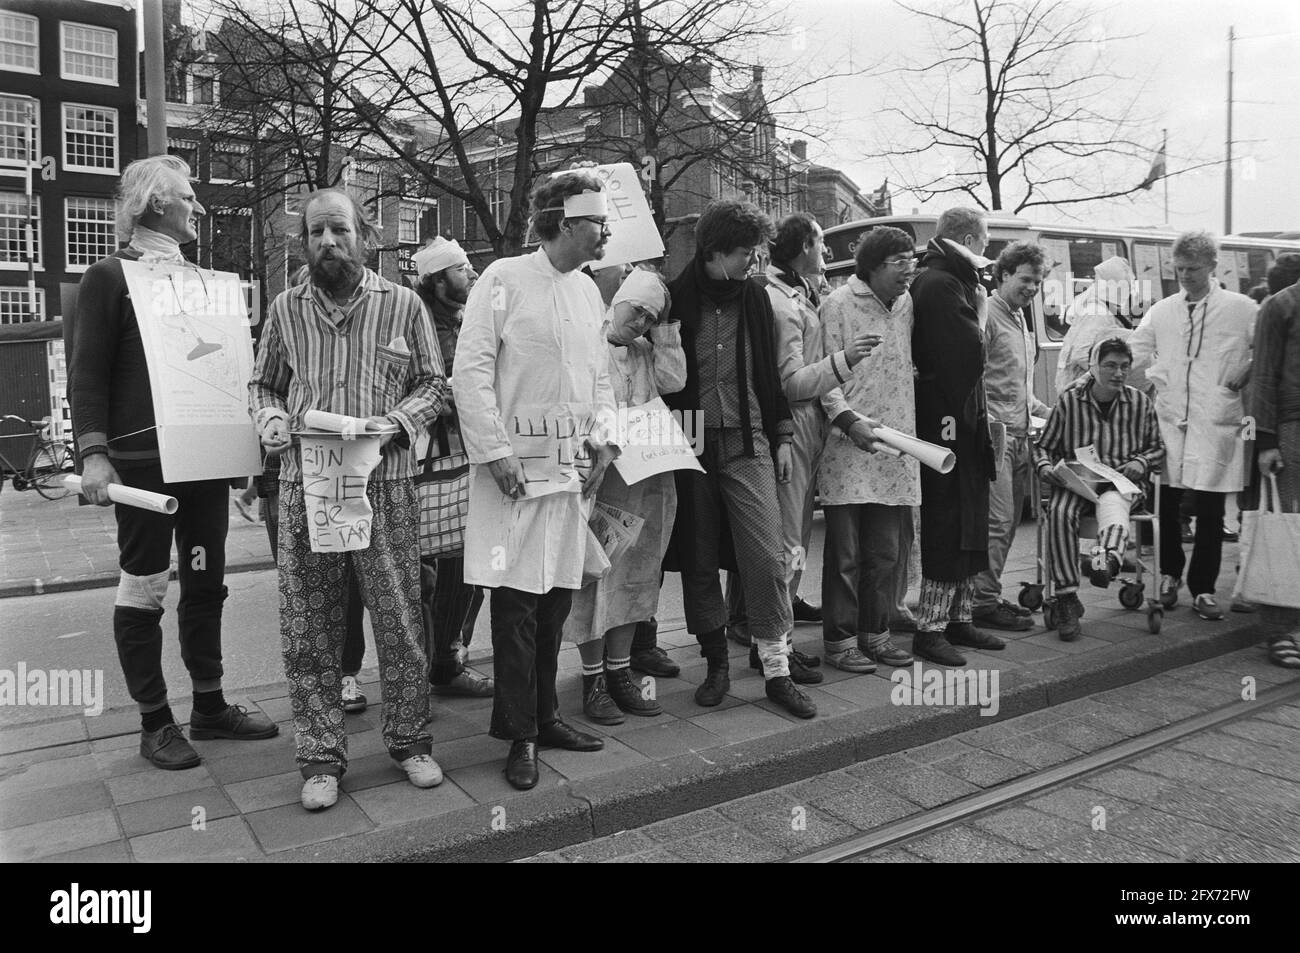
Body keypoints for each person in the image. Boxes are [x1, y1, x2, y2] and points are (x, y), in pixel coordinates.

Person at [68, 155, 278, 771]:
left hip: (204, 460)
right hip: (141, 465)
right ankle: (154, 720)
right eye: (189, 197)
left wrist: (245, 457)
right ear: (156, 203)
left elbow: (224, 371)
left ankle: (208, 705)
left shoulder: (205, 281)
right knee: (146, 584)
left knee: (207, 579)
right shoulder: (109, 277)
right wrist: (94, 455)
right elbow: (88, 374)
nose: (200, 207)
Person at [249, 188, 445, 811]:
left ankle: (411, 741)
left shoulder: (405, 305)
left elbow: (435, 385)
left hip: (383, 485)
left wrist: (397, 423)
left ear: (365, 235)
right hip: (308, 485)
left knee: (400, 619)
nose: (327, 243)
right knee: (309, 627)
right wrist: (270, 418)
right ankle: (319, 757)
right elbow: (263, 383)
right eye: (315, 234)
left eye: (339, 231)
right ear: (303, 242)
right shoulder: (284, 309)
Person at [453, 169, 621, 790]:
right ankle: (518, 733)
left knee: (554, 599)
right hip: (514, 475)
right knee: (517, 603)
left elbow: (601, 377)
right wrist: (493, 451)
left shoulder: (586, 292)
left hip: (567, 475)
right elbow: (470, 369)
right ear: (563, 222)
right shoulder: (502, 279)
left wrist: (603, 437)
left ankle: (545, 715)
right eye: (596, 223)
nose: (605, 232)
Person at [661, 200, 815, 718]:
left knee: (766, 553)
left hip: (748, 439)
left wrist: (782, 435)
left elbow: (768, 375)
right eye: (746, 253)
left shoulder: (754, 297)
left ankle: (777, 667)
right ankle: (715, 665)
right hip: (691, 440)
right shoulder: (675, 297)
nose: (754, 262)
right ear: (714, 251)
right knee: (700, 557)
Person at [728, 212, 880, 678]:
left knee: (781, 538)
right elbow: (791, 382)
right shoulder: (781, 302)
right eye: (819, 242)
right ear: (800, 249)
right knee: (788, 540)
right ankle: (776, 641)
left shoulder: (792, 293)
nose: (827, 252)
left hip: (803, 426)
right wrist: (844, 361)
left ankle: (761, 626)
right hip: (793, 427)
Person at [563, 267, 685, 723]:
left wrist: (666, 329)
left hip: (645, 484)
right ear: (617, 302)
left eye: (650, 317)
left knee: (634, 576)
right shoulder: (586, 345)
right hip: (603, 484)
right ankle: (592, 678)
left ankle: (620, 673)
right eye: (637, 311)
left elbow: (673, 382)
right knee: (593, 580)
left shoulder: (646, 350)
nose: (641, 322)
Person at [1129, 230, 1256, 621]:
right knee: (1167, 506)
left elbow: (1268, 350)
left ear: (1213, 267)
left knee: (1211, 510)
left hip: (1215, 423)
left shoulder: (1242, 308)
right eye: (1179, 268)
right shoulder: (1163, 310)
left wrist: (1248, 368)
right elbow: (1135, 348)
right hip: (1170, 422)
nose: (1185, 275)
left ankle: (1202, 588)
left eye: (1193, 269)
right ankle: (1169, 576)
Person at [818, 226, 917, 671]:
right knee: (846, 556)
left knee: (885, 552)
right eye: (900, 262)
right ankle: (839, 642)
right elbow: (822, 374)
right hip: (848, 445)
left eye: (911, 260)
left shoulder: (906, 305)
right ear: (874, 266)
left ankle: (875, 636)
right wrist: (847, 420)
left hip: (894, 445)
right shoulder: (838, 305)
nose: (909, 270)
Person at [907, 207, 1002, 665]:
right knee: (947, 520)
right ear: (968, 237)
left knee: (968, 517)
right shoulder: (941, 283)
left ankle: (959, 619)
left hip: (962, 419)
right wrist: (982, 314)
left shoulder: (949, 279)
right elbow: (967, 353)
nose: (985, 253)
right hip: (946, 420)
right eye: (983, 243)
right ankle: (931, 627)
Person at [1034, 338, 1165, 640]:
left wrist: (1141, 462)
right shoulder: (1070, 401)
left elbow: (1158, 448)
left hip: (1120, 480)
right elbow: (1043, 447)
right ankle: (1068, 597)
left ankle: (1106, 561)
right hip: (1078, 482)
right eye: (1110, 365)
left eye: (1124, 366)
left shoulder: (1140, 402)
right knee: (1059, 511)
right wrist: (1044, 468)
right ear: (1093, 367)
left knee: (1114, 503)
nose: (1118, 373)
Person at [411, 237, 493, 699]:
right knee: (426, 570)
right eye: (462, 269)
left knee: (470, 563)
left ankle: (449, 658)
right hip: (424, 462)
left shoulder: (470, 321)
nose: (473, 274)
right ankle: (424, 668)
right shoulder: (413, 324)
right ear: (438, 280)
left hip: (467, 453)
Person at [972, 241, 1052, 632]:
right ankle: (981, 602)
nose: (1032, 288)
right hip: (995, 436)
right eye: (1025, 279)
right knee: (1000, 521)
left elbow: (1022, 390)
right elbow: (973, 379)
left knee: (1010, 522)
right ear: (1003, 275)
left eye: (1038, 282)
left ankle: (987, 594)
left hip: (1020, 436)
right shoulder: (987, 314)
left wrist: (1051, 413)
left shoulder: (1022, 321)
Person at [1249, 266, 1300, 667]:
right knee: (1282, 531)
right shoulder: (1280, 306)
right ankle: (1278, 630)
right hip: (1290, 428)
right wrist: (1265, 440)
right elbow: (1262, 375)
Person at [1055, 256, 1142, 393]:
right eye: (1125, 285)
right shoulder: (1097, 312)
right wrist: (1105, 375)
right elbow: (1080, 354)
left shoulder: (1106, 308)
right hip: (1082, 391)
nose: (1129, 289)